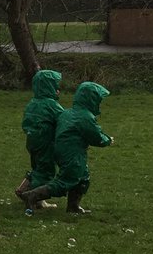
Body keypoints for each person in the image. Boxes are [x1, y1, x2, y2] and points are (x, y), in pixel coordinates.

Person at [21, 81, 113, 215]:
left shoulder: (69, 113)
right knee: (66, 180)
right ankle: (32, 195)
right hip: (72, 152)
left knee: (82, 177)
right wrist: (107, 140)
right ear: (91, 99)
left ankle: (73, 207)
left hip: (63, 150)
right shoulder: (85, 117)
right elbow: (95, 135)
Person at [15, 68, 63, 206]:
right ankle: (32, 195)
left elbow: (26, 122)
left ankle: (23, 189)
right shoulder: (51, 105)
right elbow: (63, 119)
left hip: (32, 141)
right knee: (46, 170)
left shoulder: (33, 103)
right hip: (46, 142)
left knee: (37, 167)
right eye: (55, 85)